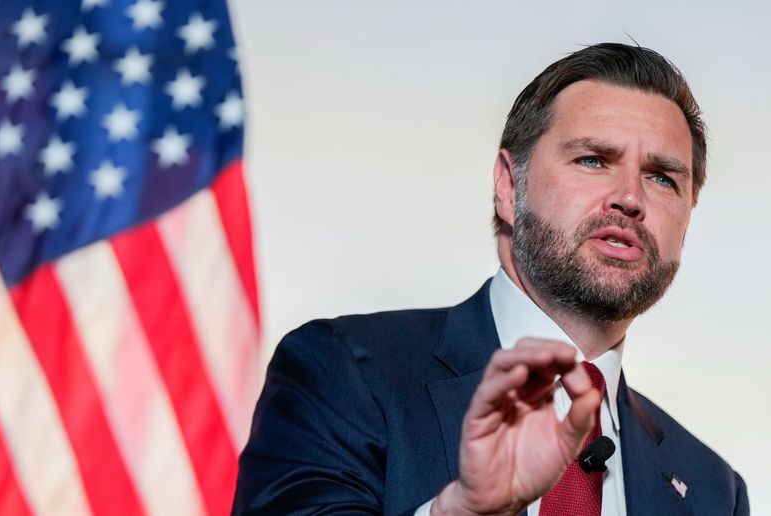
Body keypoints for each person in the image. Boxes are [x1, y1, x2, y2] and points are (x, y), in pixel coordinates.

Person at [232, 43, 749, 515]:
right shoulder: (343, 373)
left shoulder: (714, 491)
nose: (630, 197)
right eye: (593, 160)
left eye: (662, 177)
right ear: (507, 186)